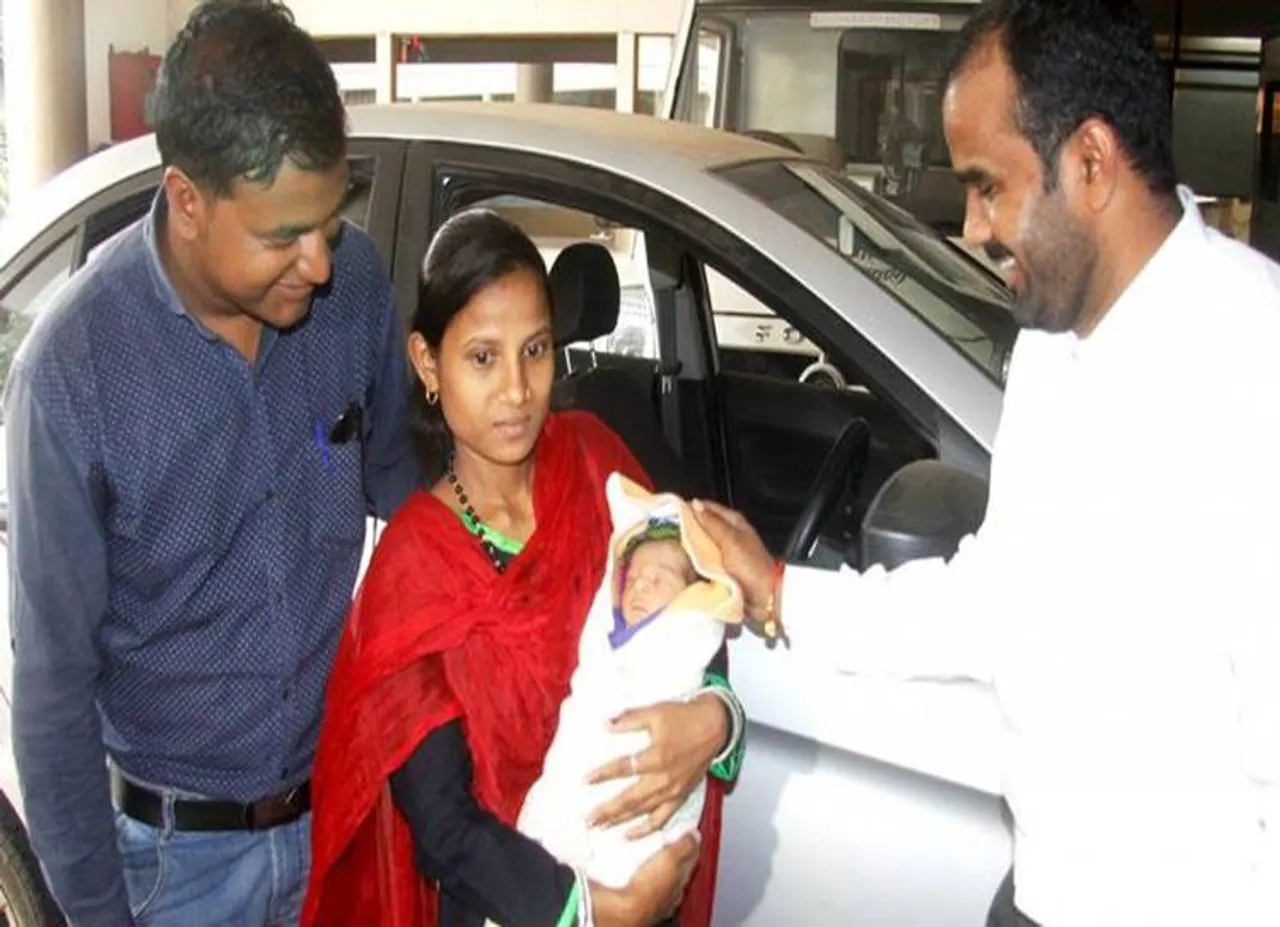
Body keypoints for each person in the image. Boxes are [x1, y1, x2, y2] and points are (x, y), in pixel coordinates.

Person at [692, 1, 1280, 925]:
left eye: (987, 185)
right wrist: (777, 588)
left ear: (1089, 161)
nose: (971, 226)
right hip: (1041, 891)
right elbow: (999, 601)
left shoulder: (1254, 364)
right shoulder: (1051, 349)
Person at [5, 3, 417, 925]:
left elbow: (412, 495)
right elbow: (51, 702)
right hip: (169, 871)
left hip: (340, 821)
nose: (317, 262)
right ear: (189, 200)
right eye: (283, 236)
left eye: (330, 220)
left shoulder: (352, 292)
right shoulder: (73, 377)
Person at [302, 208, 746, 927]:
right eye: (483, 357)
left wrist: (716, 723)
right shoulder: (412, 570)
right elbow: (446, 829)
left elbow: (694, 627)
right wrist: (599, 912)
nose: (516, 389)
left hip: (639, 875)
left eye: (535, 350)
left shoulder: (597, 466)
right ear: (427, 364)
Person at [511, 474, 748, 899]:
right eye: (634, 578)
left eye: (654, 581)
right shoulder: (422, 542)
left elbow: (708, 662)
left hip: (634, 823)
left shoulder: (594, 460)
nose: (515, 402)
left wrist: (718, 718)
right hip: (510, 861)